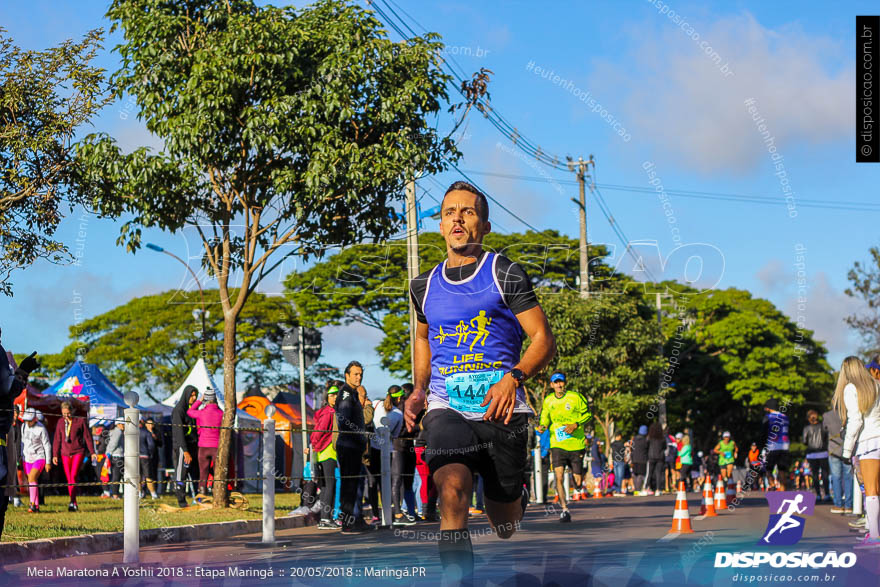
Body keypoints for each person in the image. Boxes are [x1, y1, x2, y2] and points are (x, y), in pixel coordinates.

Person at [404, 181, 556, 583]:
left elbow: (543, 338)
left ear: (484, 225)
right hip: (446, 405)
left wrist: (514, 377)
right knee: (451, 487)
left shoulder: (503, 272)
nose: (457, 218)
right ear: (439, 226)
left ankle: (513, 494)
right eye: (449, 212)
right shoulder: (423, 285)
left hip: (501, 406)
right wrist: (419, 389)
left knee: (505, 524)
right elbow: (422, 336)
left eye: (467, 212)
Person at [835, 356, 880, 548]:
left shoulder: (851, 388)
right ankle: (872, 532)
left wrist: (846, 451)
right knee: (876, 491)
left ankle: (875, 537)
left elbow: (856, 421)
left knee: (870, 491)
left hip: (869, 442)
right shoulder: (877, 385)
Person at [536, 371, 591, 521]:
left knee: (578, 481)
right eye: (556, 382)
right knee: (558, 477)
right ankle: (565, 509)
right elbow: (545, 417)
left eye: (561, 382)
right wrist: (542, 426)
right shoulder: (548, 400)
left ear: (564, 383)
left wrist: (575, 424)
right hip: (557, 444)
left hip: (576, 444)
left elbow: (588, 414)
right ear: (552, 385)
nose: (559, 385)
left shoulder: (575, 397)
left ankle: (578, 482)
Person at [335, 361, 373, 533]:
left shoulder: (354, 394)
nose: (359, 377)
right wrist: (357, 435)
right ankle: (348, 522)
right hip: (348, 445)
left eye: (360, 374)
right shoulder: (345, 394)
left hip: (355, 446)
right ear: (347, 375)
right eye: (355, 374)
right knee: (348, 485)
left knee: (356, 484)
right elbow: (344, 420)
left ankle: (356, 519)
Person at [52, 400, 97, 512]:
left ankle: (73, 502)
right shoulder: (60, 422)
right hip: (65, 453)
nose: (66, 416)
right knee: (69, 478)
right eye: (64, 414)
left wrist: (92, 452)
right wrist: (55, 455)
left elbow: (88, 437)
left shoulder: (80, 421)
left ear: (72, 411)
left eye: (68, 413)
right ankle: (73, 502)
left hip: (78, 451)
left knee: (73, 476)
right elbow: (57, 439)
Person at [311, 381, 340, 529]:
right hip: (327, 453)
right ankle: (325, 519)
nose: (335, 397)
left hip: (325, 453)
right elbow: (318, 432)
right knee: (329, 486)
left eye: (337, 395)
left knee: (325, 487)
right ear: (327, 397)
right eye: (332, 395)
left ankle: (325, 518)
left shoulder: (330, 411)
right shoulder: (330, 412)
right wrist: (315, 446)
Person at [187, 388, 223, 495]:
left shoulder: (201, 413)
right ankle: (218, 495)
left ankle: (202, 495)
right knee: (218, 474)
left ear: (205, 400)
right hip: (217, 446)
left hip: (203, 446)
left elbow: (189, 411)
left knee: (203, 473)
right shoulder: (221, 413)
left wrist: (199, 401)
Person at [172, 385, 200, 508]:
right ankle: (181, 501)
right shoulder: (179, 410)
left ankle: (198, 499)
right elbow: (178, 433)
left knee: (195, 474)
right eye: (192, 395)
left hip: (193, 446)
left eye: (195, 395)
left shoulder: (192, 411)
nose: (193, 398)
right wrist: (185, 451)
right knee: (181, 475)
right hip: (182, 448)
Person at [20, 408, 51, 513]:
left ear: (35, 419)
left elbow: (47, 445)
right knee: (31, 481)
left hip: (39, 457)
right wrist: (21, 456)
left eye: (29, 420)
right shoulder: (23, 426)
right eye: (26, 420)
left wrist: (48, 462)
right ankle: (36, 506)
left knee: (32, 477)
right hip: (27, 457)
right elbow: (22, 442)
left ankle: (32, 504)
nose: (27, 422)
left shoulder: (41, 429)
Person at [823, 405, 853, 513]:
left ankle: (838, 505)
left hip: (833, 449)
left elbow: (824, 430)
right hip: (848, 448)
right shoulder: (848, 413)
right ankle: (849, 505)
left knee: (836, 478)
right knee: (849, 477)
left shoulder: (826, 415)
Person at [763, 398, 791, 491]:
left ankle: (772, 485)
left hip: (773, 447)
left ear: (769, 407)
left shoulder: (768, 417)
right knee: (782, 471)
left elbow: (763, 433)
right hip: (785, 446)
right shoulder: (785, 417)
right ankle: (783, 493)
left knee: (768, 470)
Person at [802, 410, 830, 502]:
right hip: (823, 453)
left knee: (815, 474)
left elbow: (804, 441)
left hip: (812, 454)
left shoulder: (806, 428)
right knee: (825, 474)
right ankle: (827, 494)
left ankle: (818, 494)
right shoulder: (823, 427)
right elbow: (827, 439)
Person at [139, 417, 162, 499]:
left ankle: (140, 493)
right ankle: (153, 494)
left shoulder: (131, 432)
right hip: (146, 456)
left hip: (136, 456)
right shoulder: (146, 432)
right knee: (148, 476)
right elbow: (151, 446)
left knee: (139, 476)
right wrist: (149, 454)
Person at [105, 420, 124, 499]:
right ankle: (115, 494)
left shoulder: (114, 431)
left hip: (114, 456)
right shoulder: (118, 432)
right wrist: (108, 453)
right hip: (117, 456)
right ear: (118, 424)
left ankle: (115, 493)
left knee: (116, 476)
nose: (124, 426)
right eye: (123, 424)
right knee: (117, 476)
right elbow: (113, 444)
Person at [647, 422, 666, 496]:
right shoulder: (662, 438)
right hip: (660, 457)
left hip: (651, 456)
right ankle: (658, 489)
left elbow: (647, 446)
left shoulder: (649, 437)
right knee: (658, 473)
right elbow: (665, 447)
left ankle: (646, 487)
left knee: (650, 473)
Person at [631, 425, 648, 495]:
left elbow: (632, 448)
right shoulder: (645, 440)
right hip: (642, 459)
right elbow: (647, 449)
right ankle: (638, 490)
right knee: (641, 474)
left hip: (634, 459)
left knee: (635, 474)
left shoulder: (634, 439)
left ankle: (635, 490)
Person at [610, 432, 626, 497]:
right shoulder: (621, 444)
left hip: (614, 461)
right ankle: (618, 490)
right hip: (620, 461)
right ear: (619, 436)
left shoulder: (612, 444)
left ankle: (616, 490)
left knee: (616, 476)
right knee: (620, 476)